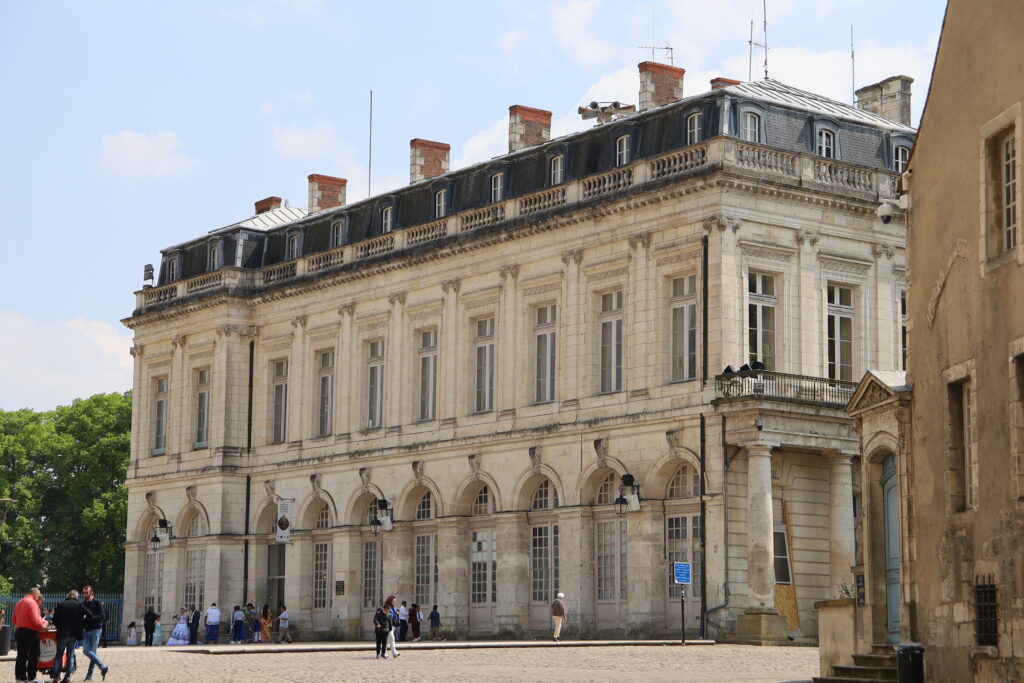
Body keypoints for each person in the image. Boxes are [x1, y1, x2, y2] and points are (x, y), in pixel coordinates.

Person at [13, 587, 47, 683]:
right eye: (38, 594)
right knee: (34, 654)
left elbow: (14, 619)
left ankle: (20, 677)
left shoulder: (19, 602)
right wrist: (43, 625)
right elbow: (35, 620)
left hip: (19, 631)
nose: (38, 596)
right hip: (31, 632)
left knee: (21, 655)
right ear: (35, 593)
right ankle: (32, 677)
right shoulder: (32, 603)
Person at [52, 589, 87, 682]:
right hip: (74, 634)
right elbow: (90, 615)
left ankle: (55, 676)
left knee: (59, 655)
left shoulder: (61, 604)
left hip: (62, 634)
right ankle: (68, 676)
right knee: (70, 655)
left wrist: (59, 626)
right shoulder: (79, 605)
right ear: (76, 596)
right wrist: (82, 624)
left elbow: (54, 620)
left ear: (68, 595)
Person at [81, 585, 110, 681]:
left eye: (86, 593)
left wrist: (90, 618)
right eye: (83, 593)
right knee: (86, 651)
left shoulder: (96, 602)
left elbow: (102, 616)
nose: (84, 594)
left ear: (91, 593)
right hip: (86, 630)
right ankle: (103, 667)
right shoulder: (83, 604)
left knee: (92, 652)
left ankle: (89, 674)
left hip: (96, 630)